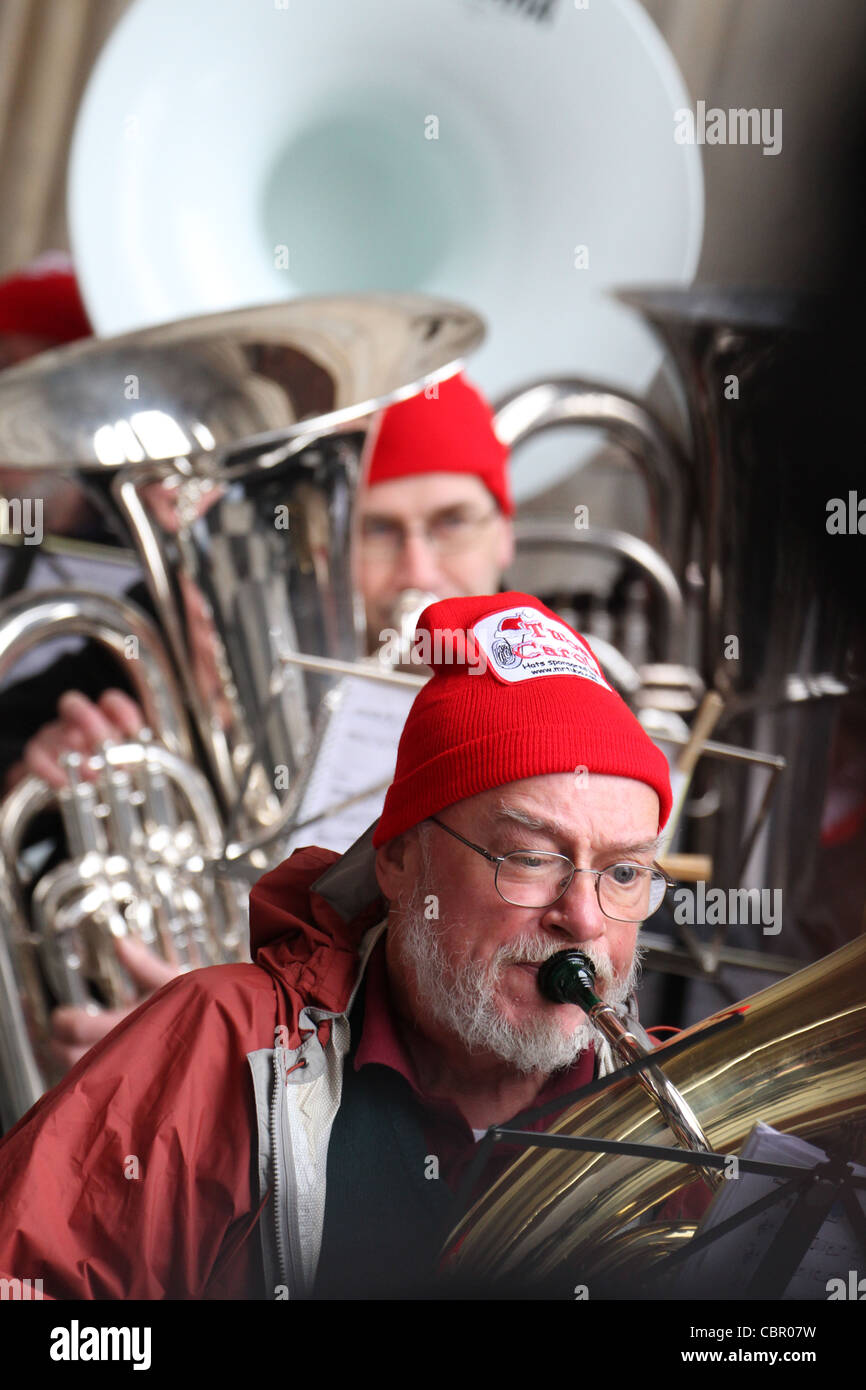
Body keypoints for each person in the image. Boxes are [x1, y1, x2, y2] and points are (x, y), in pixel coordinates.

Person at [0, 590, 672, 1299]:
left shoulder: (682, 1105)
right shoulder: (225, 1042)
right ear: (400, 860)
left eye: (624, 873)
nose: (586, 919)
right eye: (532, 858)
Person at [0, 372, 517, 1072]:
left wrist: (210, 1041)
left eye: (452, 522)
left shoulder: (560, 704)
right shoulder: (198, 642)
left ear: (506, 534)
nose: (418, 570)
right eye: (378, 530)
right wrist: (37, 781)